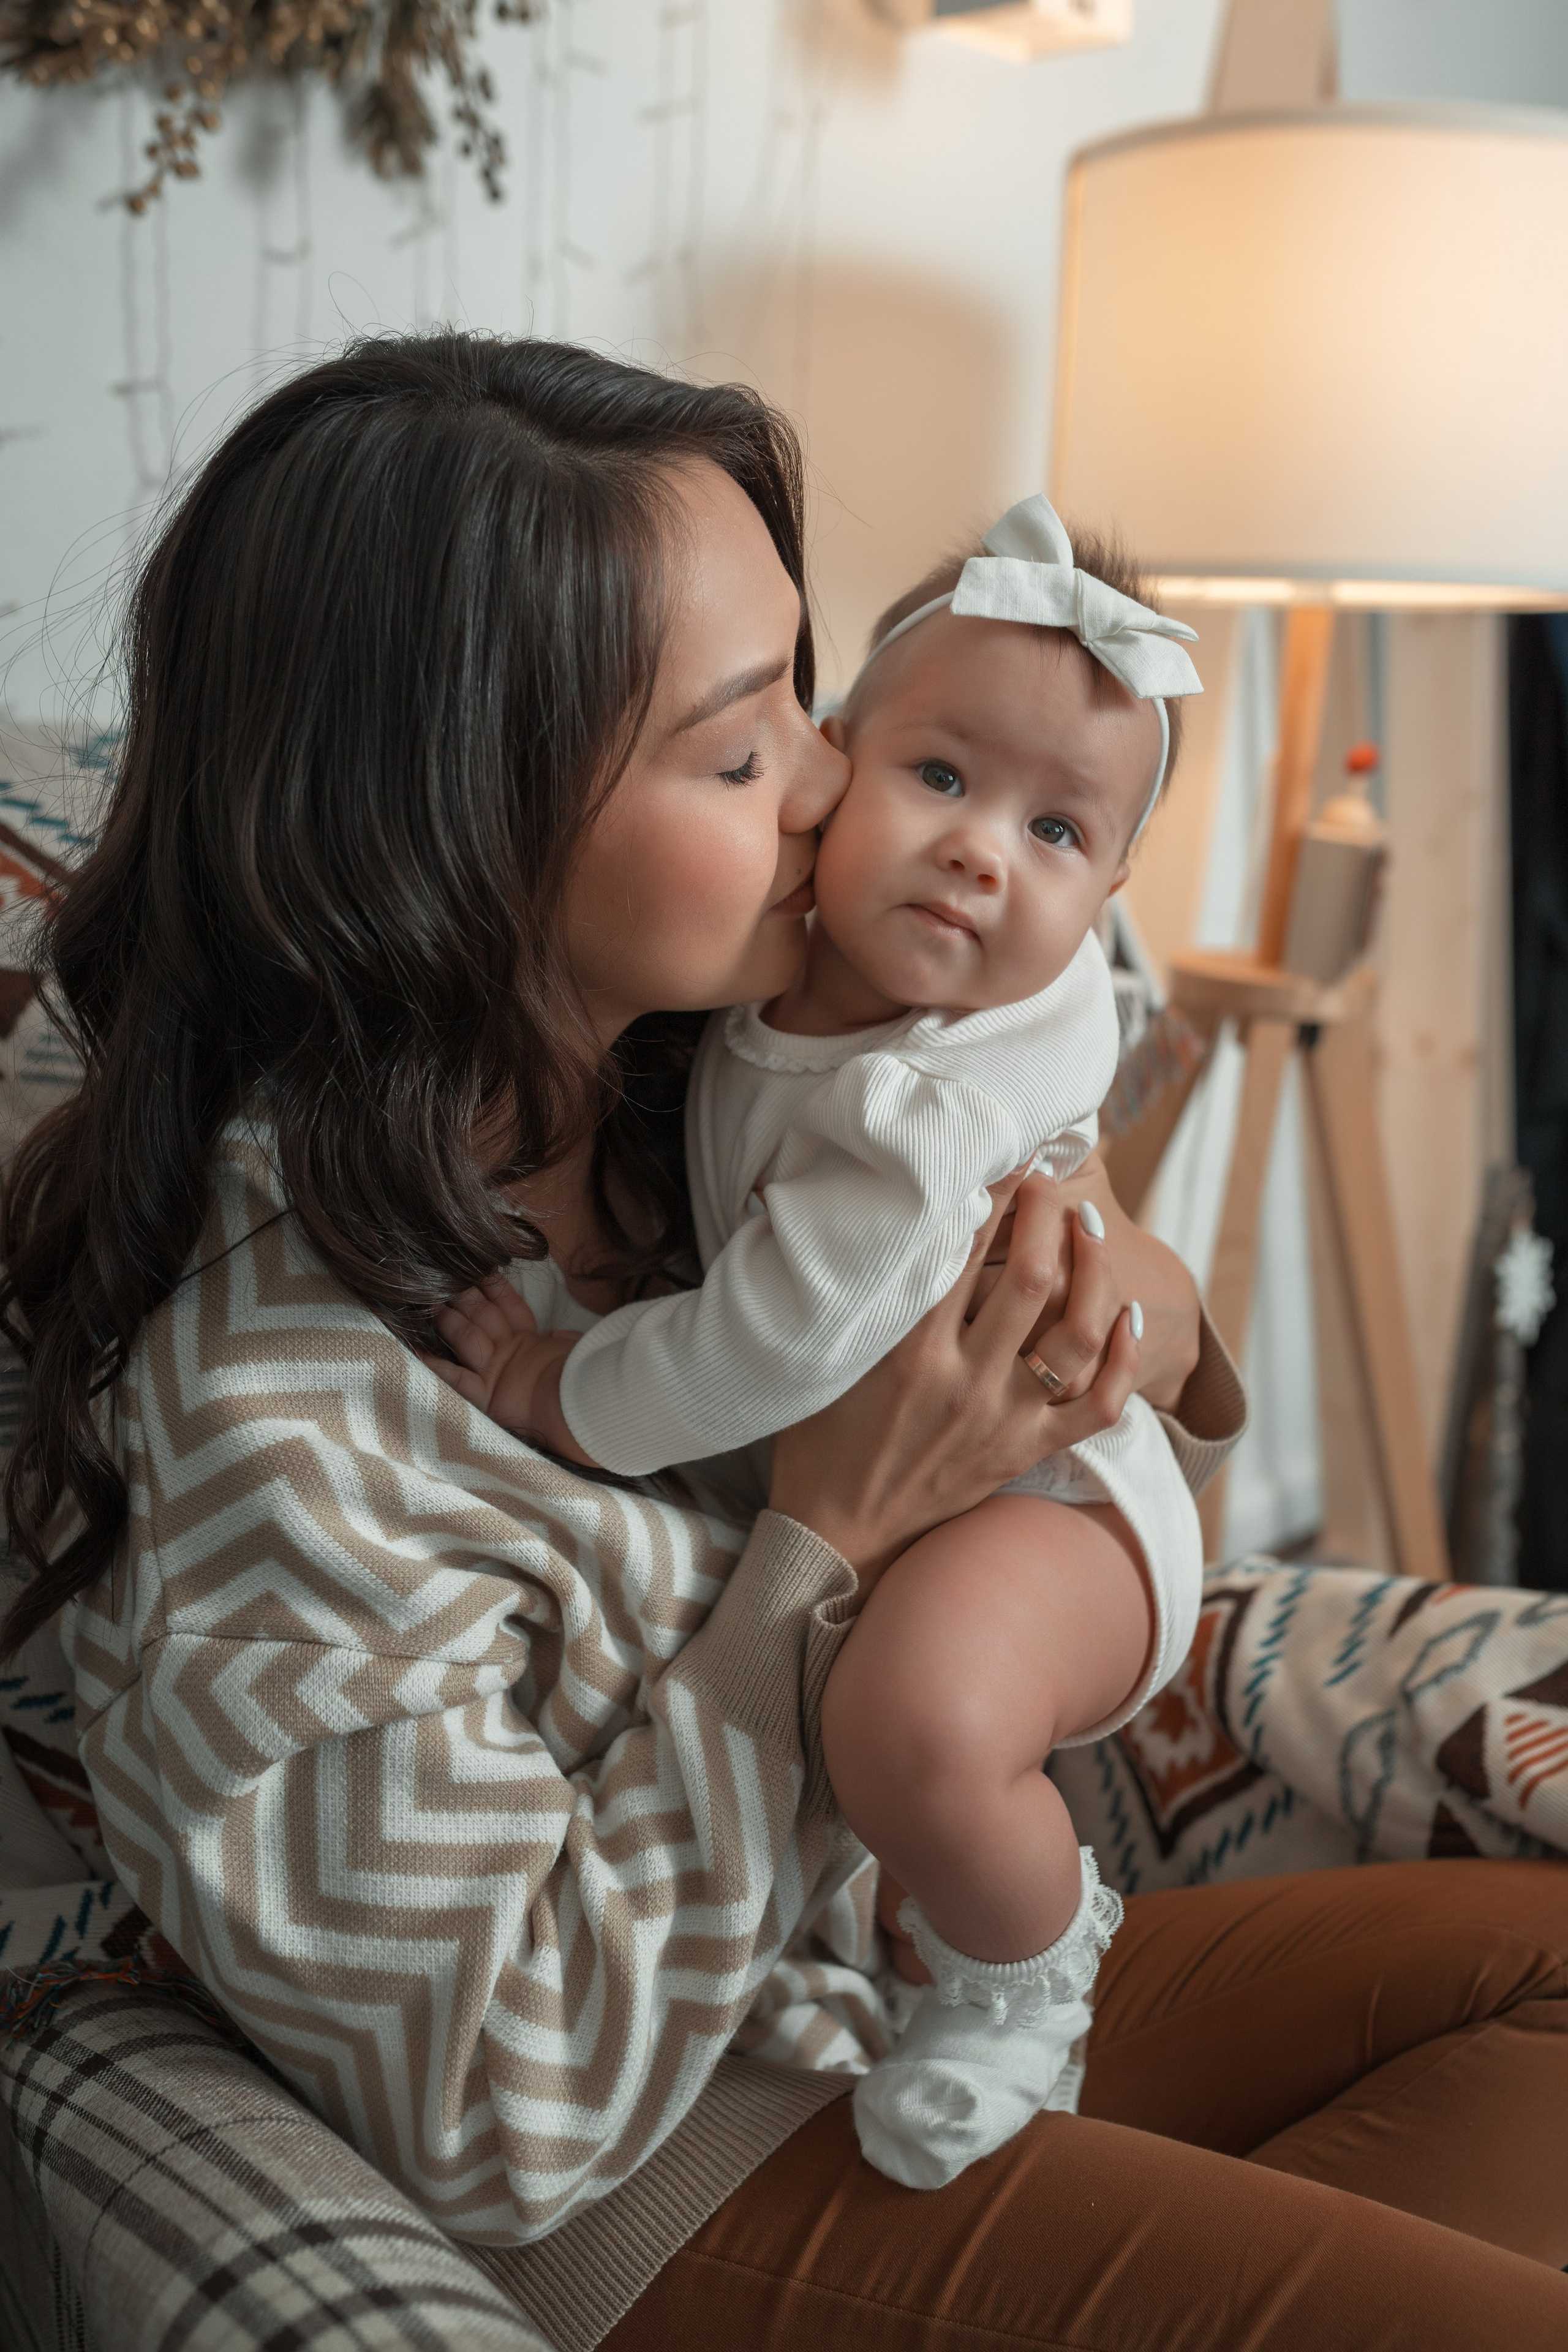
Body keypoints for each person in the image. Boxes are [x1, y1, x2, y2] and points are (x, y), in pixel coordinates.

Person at [3, 333, 1568, 2351]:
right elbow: (500, 2105)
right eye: (746, 754)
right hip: (629, 2179)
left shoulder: (724, 1091)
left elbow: (1080, 1341)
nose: (845, 785)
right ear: (462, 838)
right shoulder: (277, 1416)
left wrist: (1144, 1299)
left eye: (813, 703)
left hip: (863, 2009)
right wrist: (816, 1549)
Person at [427, 493, 1208, 2188]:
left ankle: (1029, 1978)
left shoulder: (926, 1088)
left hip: (1051, 1510)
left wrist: (555, 1379)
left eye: (1059, 834)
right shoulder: (766, 994)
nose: (984, 850)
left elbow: (768, 1344)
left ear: (1116, 889)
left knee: (912, 1721)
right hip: (640, 2124)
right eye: (935, 778)